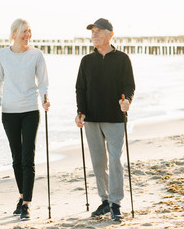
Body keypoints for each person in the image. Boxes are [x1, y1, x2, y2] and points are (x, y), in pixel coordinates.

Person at [75, 18, 135, 221]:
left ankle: (116, 202)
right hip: (91, 119)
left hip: (115, 118)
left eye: (98, 31)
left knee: (115, 160)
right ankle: (105, 200)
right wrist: (80, 112)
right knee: (99, 163)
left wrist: (127, 101)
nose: (94, 35)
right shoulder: (86, 61)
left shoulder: (122, 59)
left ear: (110, 34)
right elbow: (80, 89)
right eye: (92, 32)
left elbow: (129, 86)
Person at [0, 18, 50, 221]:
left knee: (27, 158)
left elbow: (43, 82)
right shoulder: (2, 55)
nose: (27, 35)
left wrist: (45, 99)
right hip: (9, 113)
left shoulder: (36, 55)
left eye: (29, 31)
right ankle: (22, 196)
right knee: (16, 158)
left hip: (30, 111)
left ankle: (26, 204)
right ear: (13, 33)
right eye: (23, 31)